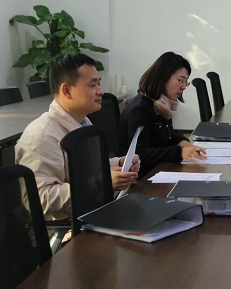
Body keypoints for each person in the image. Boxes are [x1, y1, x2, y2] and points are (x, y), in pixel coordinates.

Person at [15, 54, 140, 221]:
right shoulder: (41, 136)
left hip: (93, 210)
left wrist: (119, 163)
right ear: (67, 90)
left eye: (99, 84)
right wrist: (98, 183)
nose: (100, 91)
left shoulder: (82, 122)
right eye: (93, 85)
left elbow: (89, 166)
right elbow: (39, 199)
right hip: (69, 226)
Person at [118, 52, 207, 178]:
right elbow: (139, 153)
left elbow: (165, 136)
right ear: (163, 78)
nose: (183, 87)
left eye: (186, 82)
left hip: (158, 170)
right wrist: (179, 152)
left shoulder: (161, 104)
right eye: (180, 80)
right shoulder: (140, 109)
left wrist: (181, 141)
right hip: (142, 178)